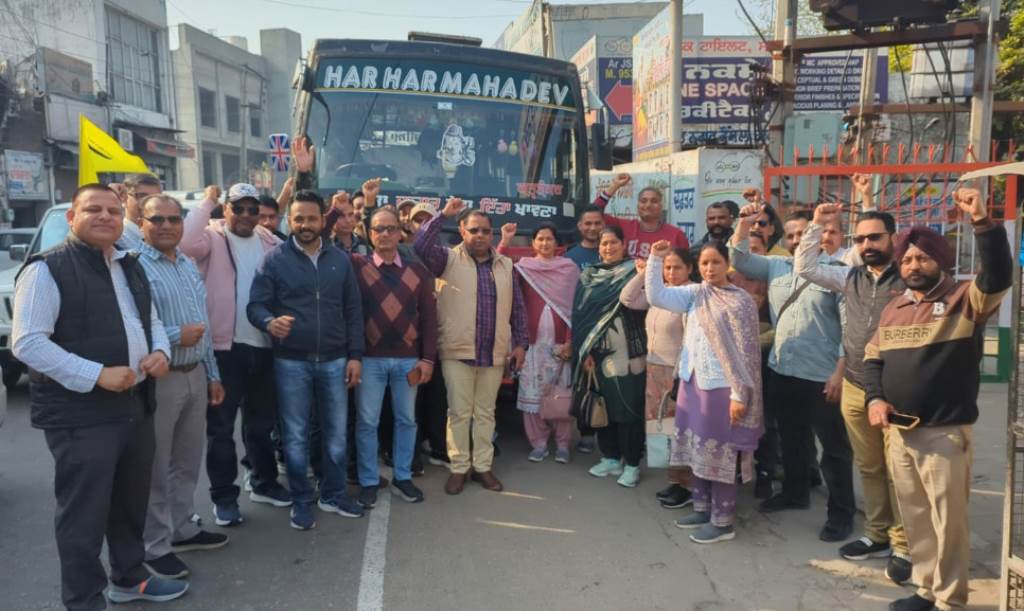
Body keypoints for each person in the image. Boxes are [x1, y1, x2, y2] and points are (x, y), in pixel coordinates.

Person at [12, 183, 187, 609]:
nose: (106, 216)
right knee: (83, 516)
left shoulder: (129, 265)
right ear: (71, 218)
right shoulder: (46, 269)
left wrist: (160, 351)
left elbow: (151, 319)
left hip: (135, 407)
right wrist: (95, 375)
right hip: (81, 415)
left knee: (130, 503)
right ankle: (84, 600)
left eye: (112, 209)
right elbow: (28, 343)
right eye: (93, 209)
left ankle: (128, 577)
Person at [865, 188, 1011, 611]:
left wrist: (982, 222)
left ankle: (950, 601)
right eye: (907, 258)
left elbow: (999, 274)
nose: (913, 265)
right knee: (917, 519)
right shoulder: (894, 307)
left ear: (941, 261)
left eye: (922, 258)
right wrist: (875, 399)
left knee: (949, 525)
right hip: (900, 433)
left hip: (943, 435)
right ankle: (926, 589)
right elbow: (873, 358)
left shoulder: (966, 300)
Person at [794, 199, 912, 583]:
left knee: (901, 471)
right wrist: (816, 224)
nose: (867, 245)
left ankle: (904, 545)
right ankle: (877, 534)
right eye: (861, 239)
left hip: (897, 389)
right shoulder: (850, 277)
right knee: (870, 466)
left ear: (892, 238)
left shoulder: (910, 278)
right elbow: (805, 266)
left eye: (875, 237)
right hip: (856, 385)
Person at [730, 206, 855, 543]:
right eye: (793, 235)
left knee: (834, 447)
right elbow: (739, 260)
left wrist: (840, 372)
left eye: (806, 233)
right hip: (783, 367)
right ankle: (795, 492)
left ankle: (841, 512)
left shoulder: (837, 273)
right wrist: (743, 223)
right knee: (792, 436)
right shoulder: (776, 267)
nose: (799, 240)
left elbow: (849, 328)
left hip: (822, 373)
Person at [247, 189, 365, 529]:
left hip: (334, 359)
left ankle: (333, 494)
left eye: (312, 218)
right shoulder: (274, 260)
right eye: (298, 218)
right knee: (296, 435)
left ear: (322, 218)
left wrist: (355, 355)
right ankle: (301, 499)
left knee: (336, 433)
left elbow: (354, 311)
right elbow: (255, 305)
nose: (305, 224)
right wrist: (269, 322)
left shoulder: (340, 260)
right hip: (291, 362)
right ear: (290, 220)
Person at [180, 183, 290, 527]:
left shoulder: (272, 243)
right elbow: (183, 243)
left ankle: (263, 482)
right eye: (237, 208)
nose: (244, 215)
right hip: (223, 351)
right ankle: (225, 498)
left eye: (251, 209)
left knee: (261, 426)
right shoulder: (211, 238)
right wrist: (207, 200)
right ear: (225, 210)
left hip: (265, 348)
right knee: (222, 430)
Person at [646, 239, 763, 544]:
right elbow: (656, 295)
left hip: (721, 389)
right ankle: (701, 507)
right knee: (696, 449)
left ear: (728, 265)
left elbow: (747, 355)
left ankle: (722, 521)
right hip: (691, 382)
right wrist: (655, 259)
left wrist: (739, 394)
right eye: (704, 263)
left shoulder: (741, 302)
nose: (710, 269)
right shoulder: (695, 294)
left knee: (718, 453)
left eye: (716, 262)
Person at [137, 194, 229, 580]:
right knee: (157, 465)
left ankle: (182, 527)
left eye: (174, 219)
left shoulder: (188, 264)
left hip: (195, 373)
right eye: (156, 219)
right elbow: (137, 327)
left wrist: (212, 373)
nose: (166, 226)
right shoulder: (135, 268)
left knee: (187, 460)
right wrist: (177, 336)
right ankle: (153, 546)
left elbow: (202, 326)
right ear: (142, 223)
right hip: (162, 377)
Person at [414, 197, 528, 495]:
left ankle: (483, 467)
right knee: (459, 413)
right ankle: (459, 468)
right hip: (458, 351)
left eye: (485, 231)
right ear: (462, 232)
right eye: (474, 230)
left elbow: (517, 308)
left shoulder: (505, 265)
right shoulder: (447, 259)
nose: (480, 236)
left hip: (493, 352)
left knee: (486, 413)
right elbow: (420, 247)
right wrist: (442, 215)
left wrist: (521, 344)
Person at [352, 207, 437, 506]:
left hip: (408, 360)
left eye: (390, 228)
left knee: (406, 420)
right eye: (378, 229)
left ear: (400, 232)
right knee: (366, 422)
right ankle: (368, 480)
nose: (385, 234)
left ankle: (402, 477)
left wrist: (427, 359)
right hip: (370, 360)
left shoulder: (418, 272)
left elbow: (429, 317)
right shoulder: (357, 266)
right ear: (368, 233)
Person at [572, 226, 648, 488]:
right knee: (602, 406)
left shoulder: (635, 269)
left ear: (623, 243)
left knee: (628, 410)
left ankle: (633, 463)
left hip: (628, 352)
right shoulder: (589, 275)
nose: (608, 247)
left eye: (613, 242)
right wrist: (586, 351)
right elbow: (581, 315)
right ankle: (611, 457)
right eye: (604, 243)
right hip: (598, 354)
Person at [619, 246, 694, 508]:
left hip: (676, 372)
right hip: (654, 369)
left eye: (677, 267)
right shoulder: (660, 294)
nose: (671, 272)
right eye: (667, 267)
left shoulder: (688, 297)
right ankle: (675, 481)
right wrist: (643, 273)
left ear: (690, 270)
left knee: (680, 429)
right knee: (660, 427)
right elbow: (627, 299)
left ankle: (688, 485)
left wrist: (678, 377)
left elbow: (689, 342)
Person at [498, 222, 579, 464]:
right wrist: (505, 240)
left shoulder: (569, 269)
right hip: (531, 344)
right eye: (540, 239)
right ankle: (539, 443)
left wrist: (570, 341)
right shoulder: (524, 268)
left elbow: (574, 309)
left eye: (549, 239)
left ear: (557, 244)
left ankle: (563, 444)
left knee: (560, 394)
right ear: (533, 243)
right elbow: (498, 267)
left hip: (559, 345)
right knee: (532, 396)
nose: (545, 243)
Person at [592, 173, 690, 258]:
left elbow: (684, 265)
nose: (648, 205)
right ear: (638, 206)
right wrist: (614, 186)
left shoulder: (676, 235)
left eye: (654, 201)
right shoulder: (623, 227)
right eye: (643, 201)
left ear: (661, 206)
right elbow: (594, 212)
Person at [119, 173, 163, 250]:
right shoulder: (117, 240)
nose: (150, 203)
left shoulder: (165, 236)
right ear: (123, 199)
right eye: (142, 196)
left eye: (156, 197)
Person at [564, 204, 605, 271]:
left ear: (603, 225)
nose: (593, 228)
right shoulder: (569, 258)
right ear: (579, 226)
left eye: (597, 223)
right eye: (588, 223)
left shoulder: (612, 253)